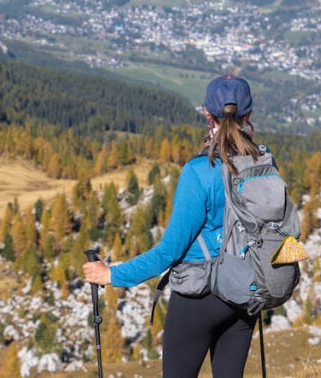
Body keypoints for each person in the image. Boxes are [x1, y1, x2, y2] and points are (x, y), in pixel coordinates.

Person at [82, 74, 266, 378]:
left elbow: (169, 251)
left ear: (207, 114)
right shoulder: (262, 163)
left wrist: (112, 275)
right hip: (246, 289)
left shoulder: (199, 171)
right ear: (249, 116)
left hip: (200, 295)